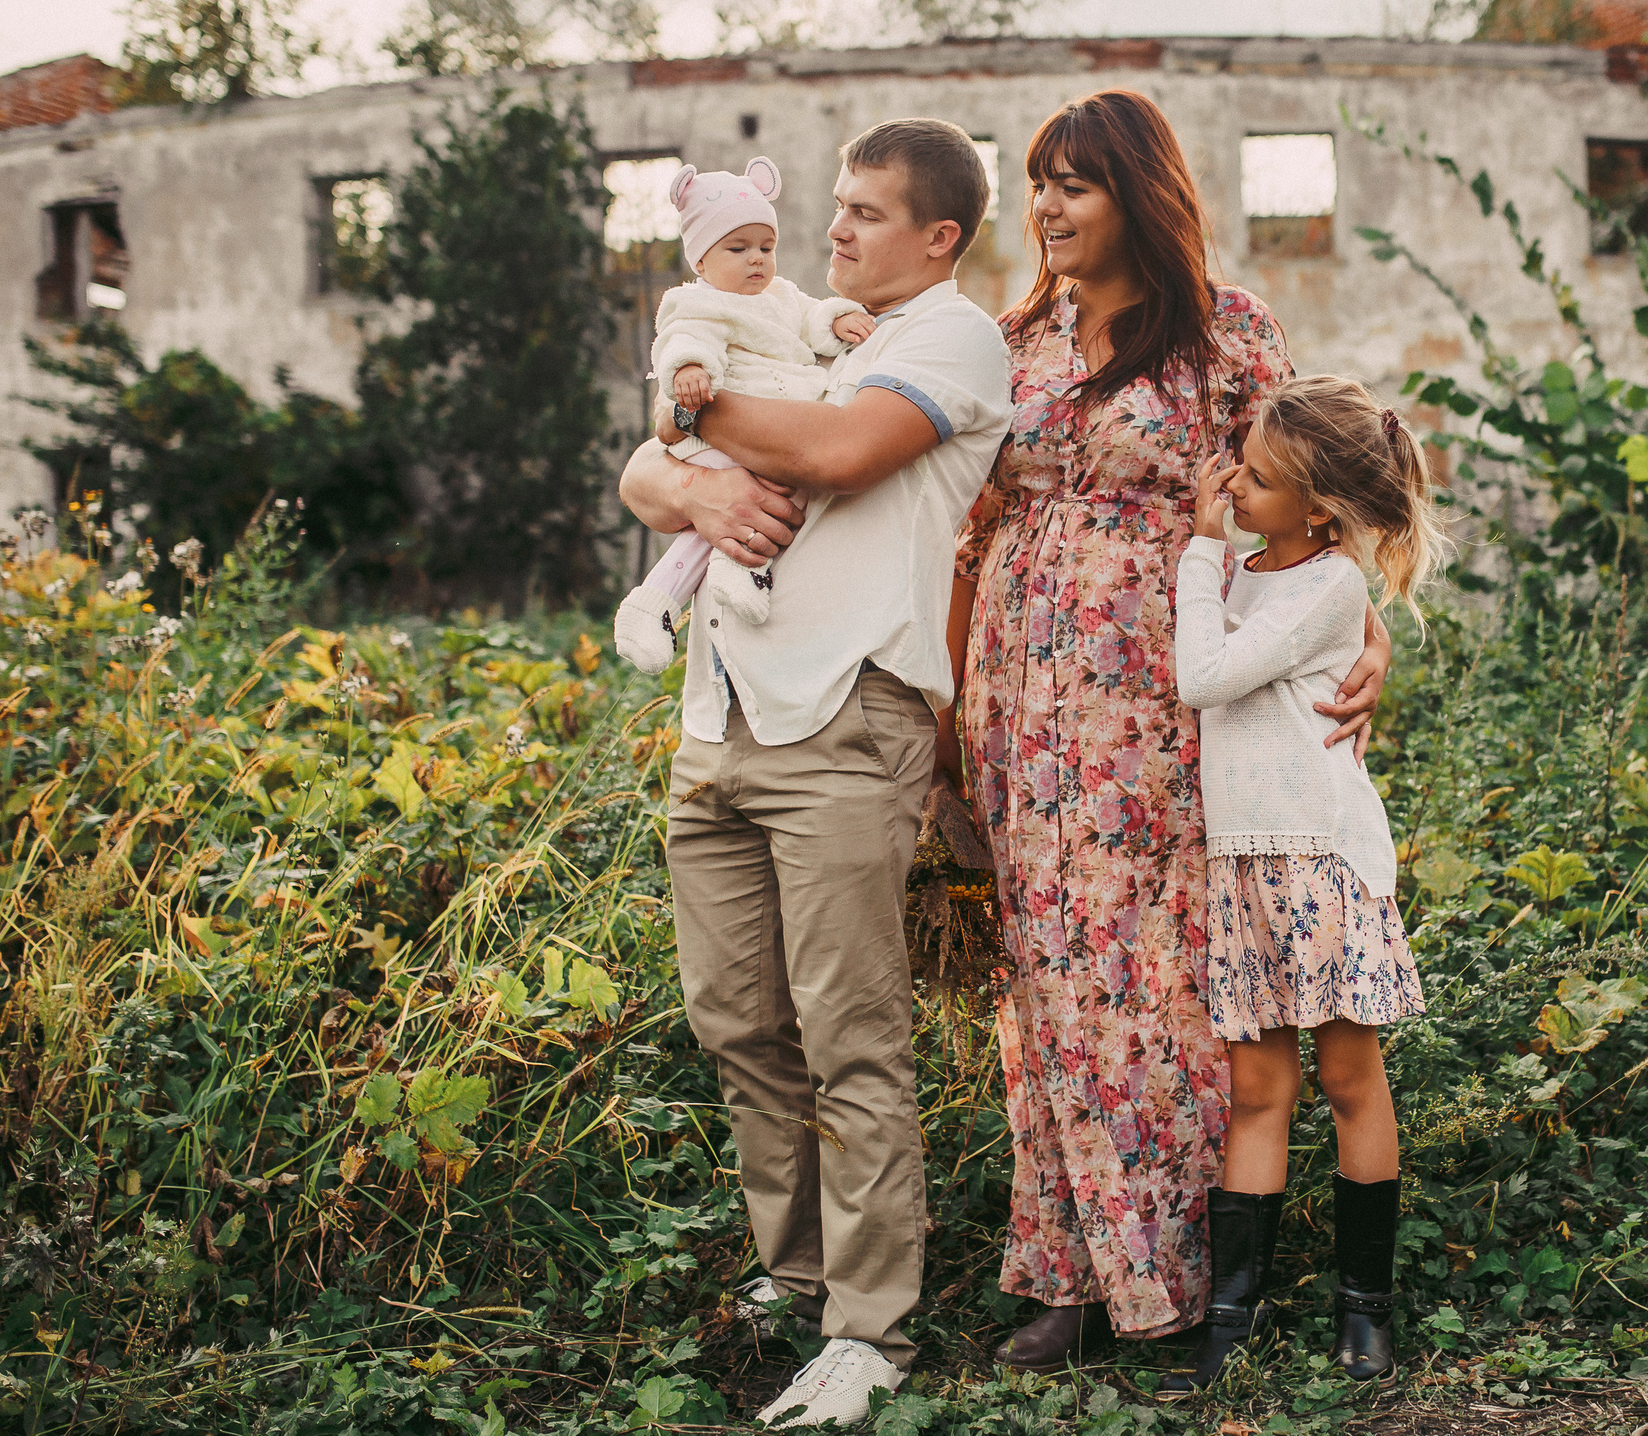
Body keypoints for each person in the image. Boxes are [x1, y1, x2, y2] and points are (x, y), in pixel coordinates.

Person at [945, 89, 1392, 1369]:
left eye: (1074, 184)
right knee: (1047, 983)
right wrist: (943, 704)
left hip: (1165, 709)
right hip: (1019, 710)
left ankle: (1181, 1280)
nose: (1046, 208)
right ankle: (1068, 1278)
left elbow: (1317, 500)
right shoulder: (1009, 340)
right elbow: (965, 526)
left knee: (1159, 985)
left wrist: (1365, 631)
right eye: (1038, 183)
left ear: (1136, 195)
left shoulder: (1224, 335)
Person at [619, 119, 1010, 1429]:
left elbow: (837, 455)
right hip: (721, 713)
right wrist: (690, 481)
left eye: (866, 211)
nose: (833, 229)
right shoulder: (787, 324)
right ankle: (793, 1275)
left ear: (938, 236)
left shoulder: (949, 339)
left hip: (848, 715)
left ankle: (867, 1331)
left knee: (851, 1035)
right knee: (736, 1018)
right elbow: (641, 472)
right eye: (833, 205)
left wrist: (689, 419)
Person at [1160, 374, 1449, 1392]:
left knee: (1347, 1078)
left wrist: (1199, 553)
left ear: (1320, 509)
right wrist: (1217, 562)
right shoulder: (1244, 574)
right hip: (1244, 864)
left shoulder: (1327, 588)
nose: (1233, 485)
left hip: (1317, 861)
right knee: (1257, 1091)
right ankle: (1231, 1326)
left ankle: (1365, 1312)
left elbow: (1203, 678)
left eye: (1259, 478)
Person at [613, 158, 875, 670]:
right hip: (723, 431)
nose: (757, 259)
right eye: (738, 249)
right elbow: (681, 340)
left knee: (765, 496)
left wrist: (838, 319)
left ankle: (688, 589)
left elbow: (811, 316)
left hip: (771, 427)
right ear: (701, 259)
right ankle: (703, 581)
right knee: (756, 495)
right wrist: (690, 369)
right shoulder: (698, 303)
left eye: (766, 247)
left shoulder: (780, 296)